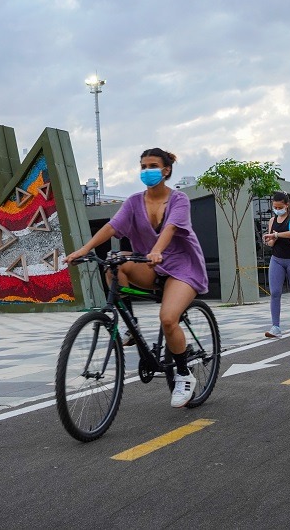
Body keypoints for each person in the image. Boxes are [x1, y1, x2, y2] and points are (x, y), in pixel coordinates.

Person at [64, 148, 208, 408]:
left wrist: (156, 250)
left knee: (168, 319)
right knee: (114, 264)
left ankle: (184, 375)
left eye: (152, 165)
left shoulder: (179, 200)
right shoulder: (133, 202)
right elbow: (112, 227)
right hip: (150, 264)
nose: (146, 171)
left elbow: (171, 228)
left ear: (166, 170)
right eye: (142, 166)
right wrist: (84, 249)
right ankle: (131, 329)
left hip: (181, 267)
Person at [261, 191, 290, 338]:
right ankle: (275, 326)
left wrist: (275, 235)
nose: (277, 209)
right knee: (274, 292)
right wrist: (268, 239)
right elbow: (271, 242)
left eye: (280, 206)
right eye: (274, 206)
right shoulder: (272, 221)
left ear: (287, 205)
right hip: (277, 259)